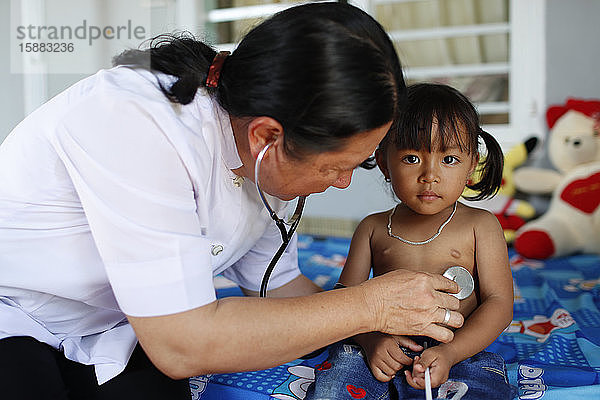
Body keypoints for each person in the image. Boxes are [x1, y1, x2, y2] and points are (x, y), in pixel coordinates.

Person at [0, 4, 464, 399]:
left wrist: (372, 329)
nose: (342, 182)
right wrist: (369, 305)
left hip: (118, 325)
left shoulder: (264, 158)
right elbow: (182, 345)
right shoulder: (136, 123)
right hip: (14, 307)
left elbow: (277, 289)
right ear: (268, 136)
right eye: (333, 166)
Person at [306, 83, 518, 400]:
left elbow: (500, 304)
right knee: (337, 380)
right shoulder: (373, 228)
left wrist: (452, 353)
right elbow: (346, 298)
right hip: (384, 346)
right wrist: (372, 341)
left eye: (448, 159)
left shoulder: (481, 226)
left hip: (458, 345)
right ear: (383, 163)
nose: (429, 175)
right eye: (411, 158)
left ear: (471, 164)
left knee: (483, 384)